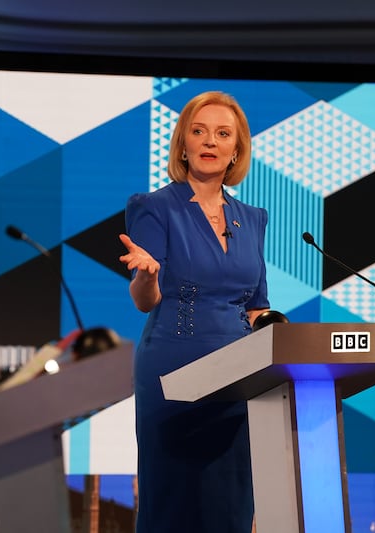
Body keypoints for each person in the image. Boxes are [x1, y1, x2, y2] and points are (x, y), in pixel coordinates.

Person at [119, 90, 269, 532]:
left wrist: (282, 340)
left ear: (236, 149)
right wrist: (146, 276)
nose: (210, 141)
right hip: (174, 371)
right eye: (199, 132)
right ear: (182, 144)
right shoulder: (153, 207)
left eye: (223, 134)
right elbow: (146, 299)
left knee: (230, 505)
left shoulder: (254, 218)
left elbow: (257, 305)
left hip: (241, 376)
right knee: (176, 504)